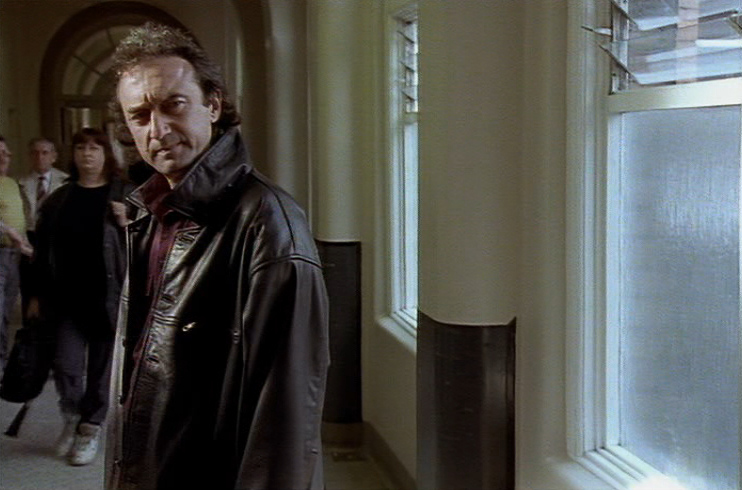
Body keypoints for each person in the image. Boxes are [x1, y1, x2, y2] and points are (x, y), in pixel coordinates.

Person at [106, 22, 330, 490]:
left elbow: (284, 425)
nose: (158, 130)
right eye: (140, 115)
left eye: (173, 104)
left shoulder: (270, 225)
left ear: (213, 104)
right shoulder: (149, 210)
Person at [29, 127, 131, 466]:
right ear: (72, 155)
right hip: (65, 298)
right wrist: (35, 295)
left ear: (106, 154)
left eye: (94, 148)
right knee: (66, 364)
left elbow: (150, 242)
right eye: (80, 148)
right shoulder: (59, 198)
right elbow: (42, 251)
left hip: (108, 297)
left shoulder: (124, 195)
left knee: (102, 369)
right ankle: (72, 414)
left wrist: (129, 221)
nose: (87, 154)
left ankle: (90, 428)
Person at [0, 135, 33, 371]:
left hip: (14, 255)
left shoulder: (11, 183)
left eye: (6, 153)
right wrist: (8, 231)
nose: (4, 157)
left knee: (6, 312)